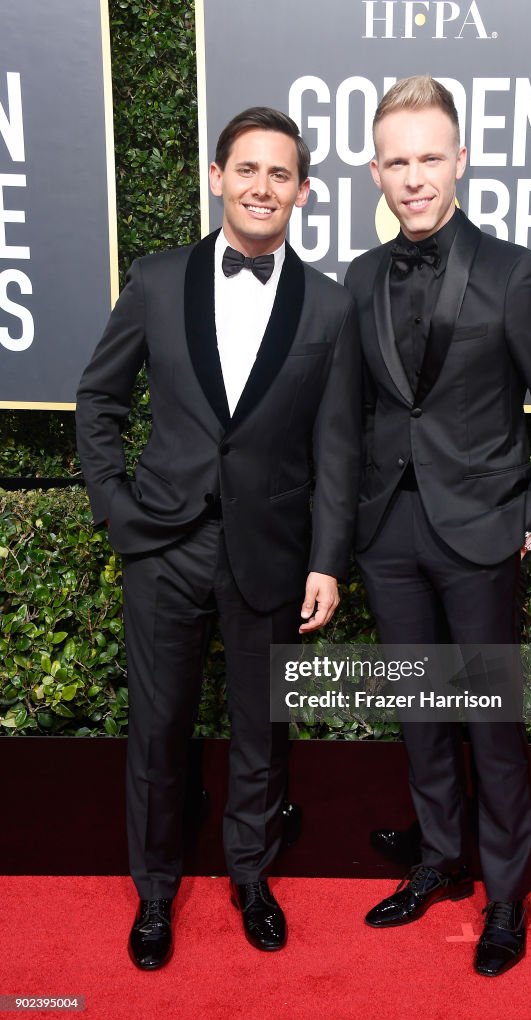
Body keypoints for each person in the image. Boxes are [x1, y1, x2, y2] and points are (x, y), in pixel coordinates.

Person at [76, 107, 360, 967]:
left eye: (280, 174)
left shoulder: (332, 305)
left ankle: (250, 877)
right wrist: (119, 512)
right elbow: (100, 400)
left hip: (271, 554)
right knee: (158, 729)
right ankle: (155, 893)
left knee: (260, 731)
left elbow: (338, 446)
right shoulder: (158, 281)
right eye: (247, 169)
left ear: (302, 192)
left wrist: (327, 560)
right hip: (163, 546)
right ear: (217, 177)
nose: (261, 186)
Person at [344, 77, 531, 976]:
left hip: (483, 536)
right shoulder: (360, 276)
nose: (414, 177)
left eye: (429, 157)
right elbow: (357, 421)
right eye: (397, 161)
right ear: (375, 171)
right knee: (420, 712)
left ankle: (505, 895)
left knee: (488, 721)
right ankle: (439, 863)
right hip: (389, 541)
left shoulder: (514, 274)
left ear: (460, 159)